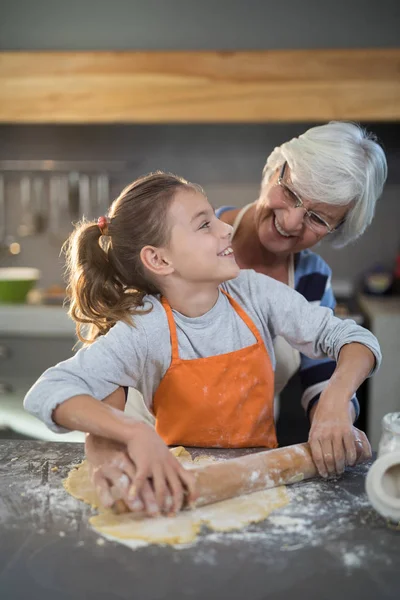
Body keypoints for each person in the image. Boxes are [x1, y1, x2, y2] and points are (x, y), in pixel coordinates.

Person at [24, 171, 380, 518]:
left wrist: (334, 399)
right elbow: (46, 392)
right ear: (159, 259)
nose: (226, 227)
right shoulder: (145, 328)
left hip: (258, 481)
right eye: (204, 224)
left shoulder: (254, 292)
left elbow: (355, 339)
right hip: (178, 486)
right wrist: (131, 432)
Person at [216, 121, 387, 428]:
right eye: (291, 192)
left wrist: (337, 415)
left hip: (249, 451)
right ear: (274, 171)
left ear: (338, 230)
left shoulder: (312, 279)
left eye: (318, 218)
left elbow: (322, 376)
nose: (292, 221)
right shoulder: (190, 236)